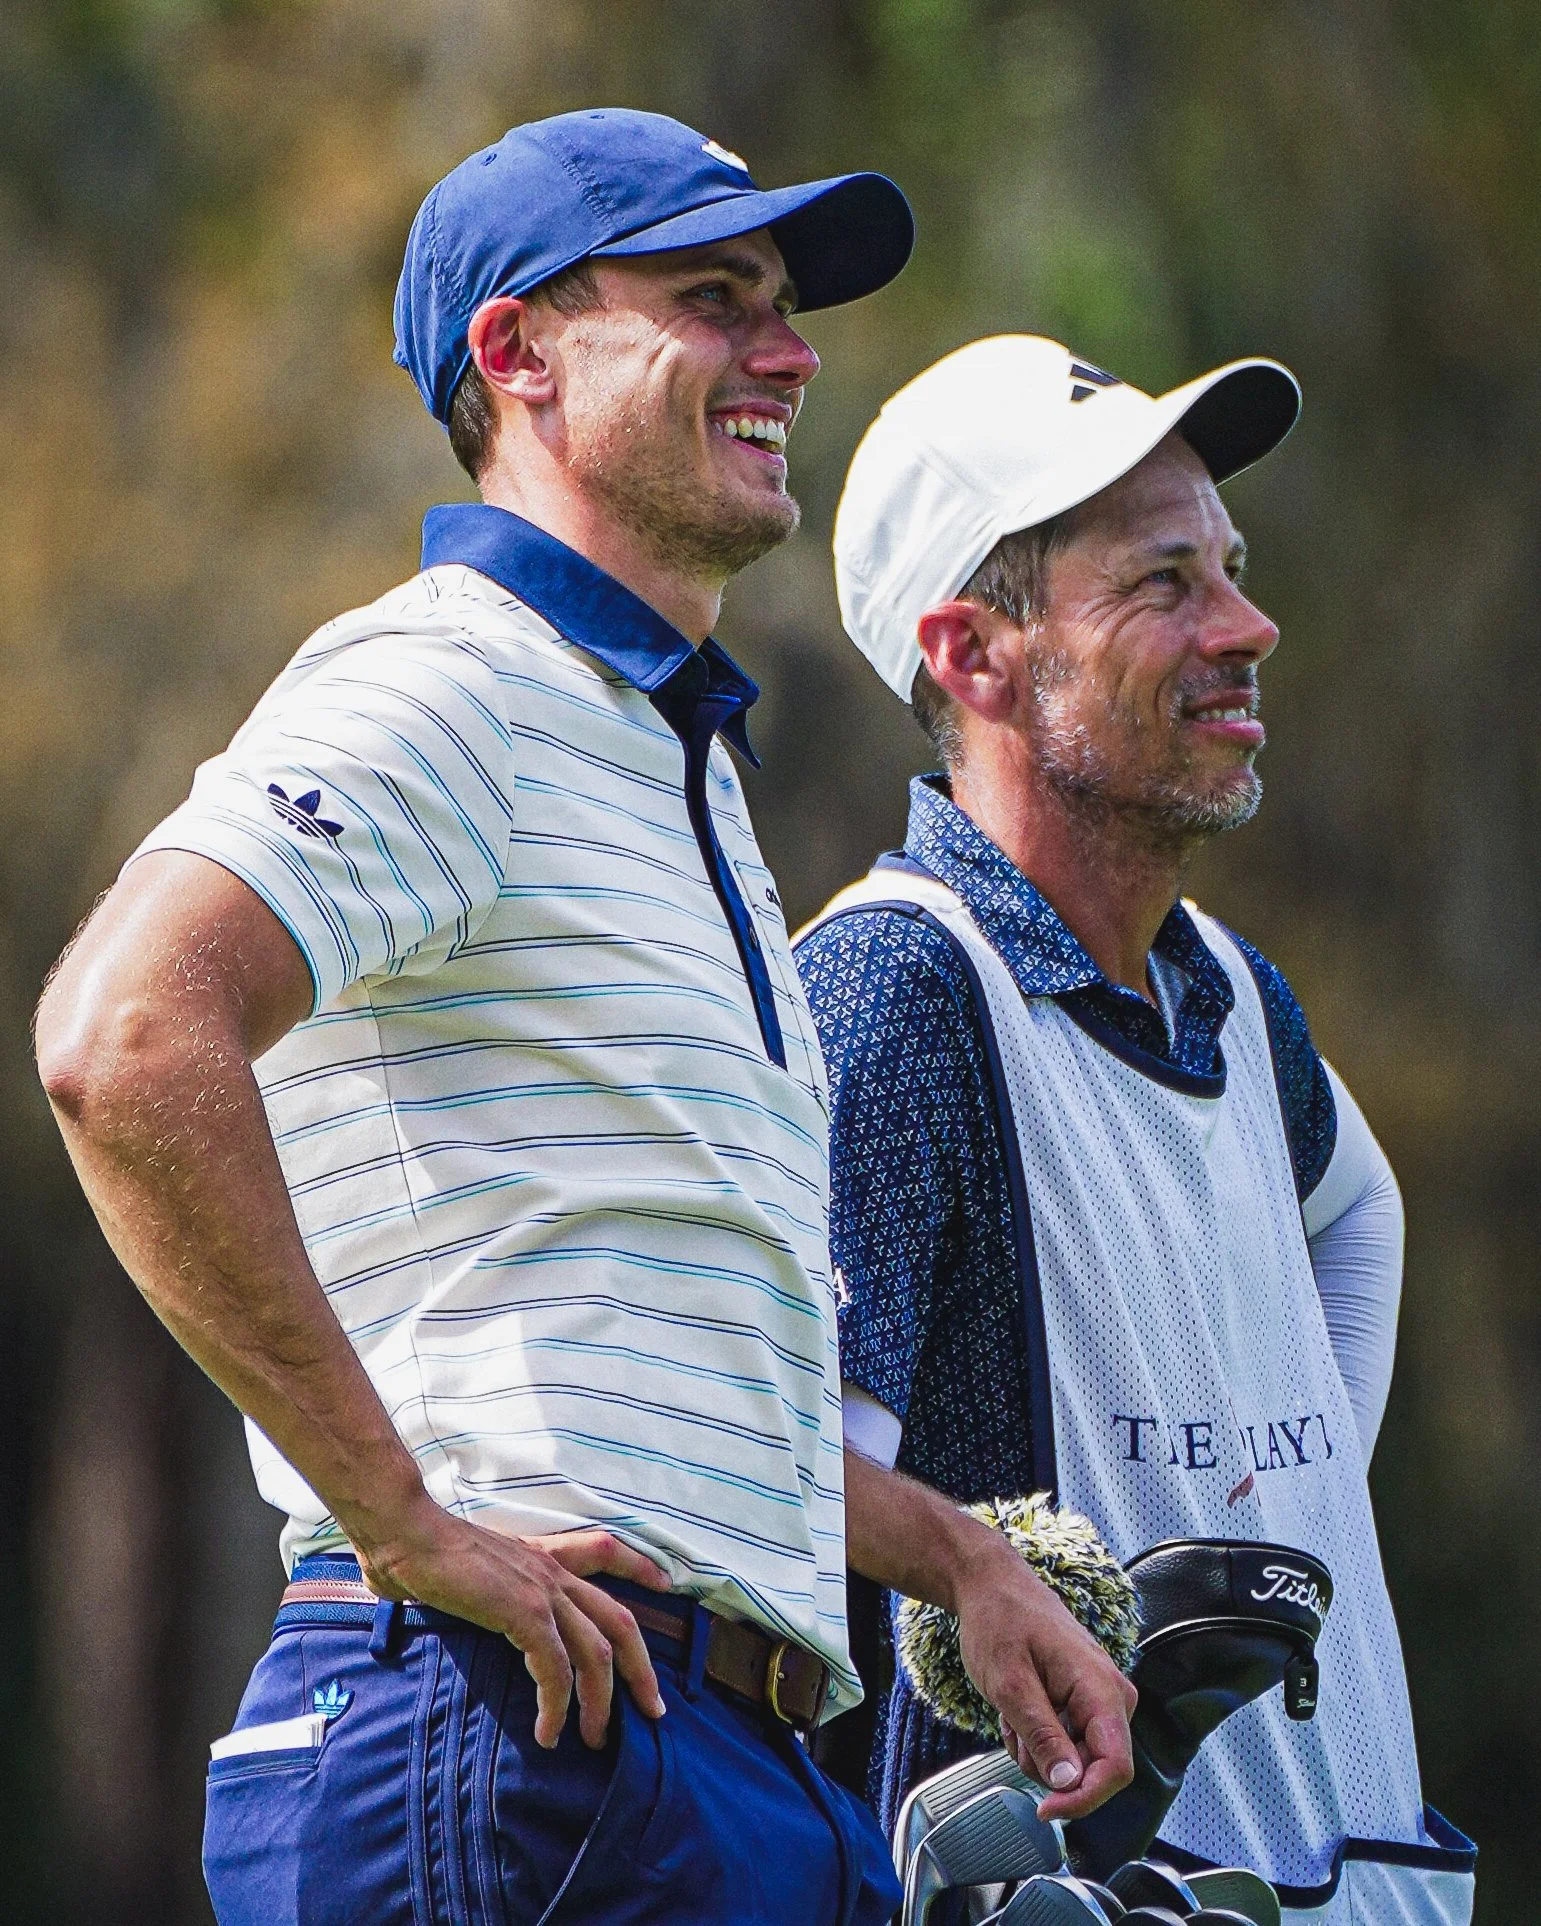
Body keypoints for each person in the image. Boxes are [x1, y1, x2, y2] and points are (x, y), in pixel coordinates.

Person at [33, 109, 926, 1926]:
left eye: (784, 301)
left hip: (694, 1753)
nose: (789, 347)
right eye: (712, 295)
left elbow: (661, 1379)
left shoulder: (664, 753)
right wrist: (403, 1518)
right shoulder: (460, 677)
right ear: (516, 352)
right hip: (509, 1728)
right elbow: (124, 1034)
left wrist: (960, 1566)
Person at [796, 335, 1478, 1922]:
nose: (1249, 628)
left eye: (1230, 569)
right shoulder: (895, 989)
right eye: (1165, 584)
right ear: (975, 655)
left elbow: (1358, 1214)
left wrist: (1288, 1516)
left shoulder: (1234, 989)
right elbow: (786, 1483)